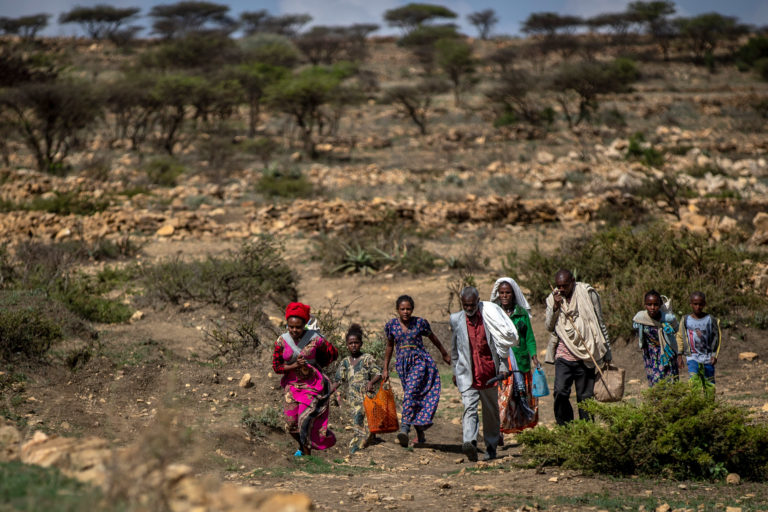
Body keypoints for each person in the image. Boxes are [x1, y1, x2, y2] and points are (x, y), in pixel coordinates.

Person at [450, 286, 520, 462]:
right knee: (469, 408)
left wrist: (503, 366)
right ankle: (470, 443)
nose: (468, 308)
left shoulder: (489, 317)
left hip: (489, 373)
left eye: (472, 304)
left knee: (491, 413)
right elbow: (454, 349)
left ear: (478, 301)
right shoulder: (456, 319)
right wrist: (454, 371)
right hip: (468, 374)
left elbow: (500, 345)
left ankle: (491, 446)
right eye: (465, 305)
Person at [545, 270, 612, 425]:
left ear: (573, 281)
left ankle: (586, 431)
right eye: (558, 286)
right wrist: (555, 306)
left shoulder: (587, 294)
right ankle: (566, 428)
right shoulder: (552, 298)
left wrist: (607, 351)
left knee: (585, 397)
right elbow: (549, 326)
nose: (561, 289)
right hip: (564, 354)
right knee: (560, 392)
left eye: (565, 286)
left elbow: (599, 321)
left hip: (587, 354)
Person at [383, 295, 451, 448]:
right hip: (402, 365)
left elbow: (433, 338)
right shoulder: (391, 326)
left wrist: (444, 354)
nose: (406, 312)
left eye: (408, 309)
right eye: (402, 309)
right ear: (397, 310)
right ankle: (420, 433)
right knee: (413, 397)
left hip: (420, 362)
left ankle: (405, 428)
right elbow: (389, 346)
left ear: (412, 309)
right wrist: (385, 368)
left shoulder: (420, 323)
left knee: (410, 393)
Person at [272, 301, 339, 456]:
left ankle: (307, 454)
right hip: (292, 386)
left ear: (305, 325)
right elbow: (277, 367)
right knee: (290, 424)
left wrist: (318, 364)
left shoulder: (315, 339)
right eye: (291, 326)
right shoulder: (281, 341)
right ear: (287, 324)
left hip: (313, 385)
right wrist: (294, 365)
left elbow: (333, 353)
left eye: (298, 327)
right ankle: (303, 446)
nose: (294, 330)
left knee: (304, 421)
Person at [490, 277, 539, 434]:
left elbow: (529, 337)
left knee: (519, 397)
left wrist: (534, 356)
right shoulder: (493, 313)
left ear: (513, 294)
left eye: (508, 293)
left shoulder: (521, 314)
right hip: (501, 361)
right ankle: (498, 430)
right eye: (502, 293)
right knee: (502, 398)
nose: (504, 296)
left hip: (520, 360)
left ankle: (518, 427)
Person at [335, 323, 383, 455]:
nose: (354, 345)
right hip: (353, 398)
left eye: (356, 342)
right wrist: (329, 391)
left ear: (361, 343)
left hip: (367, 395)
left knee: (368, 421)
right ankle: (356, 446)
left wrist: (371, 382)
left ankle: (368, 439)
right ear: (347, 345)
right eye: (351, 343)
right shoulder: (345, 362)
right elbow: (339, 380)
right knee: (357, 420)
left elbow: (379, 373)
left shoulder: (366, 359)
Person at [632, 290, 679, 386]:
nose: (652, 308)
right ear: (645, 305)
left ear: (660, 304)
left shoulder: (667, 318)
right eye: (649, 304)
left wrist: (669, 330)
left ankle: (669, 400)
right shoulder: (641, 317)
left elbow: (676, 329)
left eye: (656, 304)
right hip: (650, 354)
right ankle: (656, 400)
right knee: (654, 380)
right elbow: (635, 325)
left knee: (669, 380)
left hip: (666, 351)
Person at [676, 291, 721, 384]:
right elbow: (680, 336)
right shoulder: (686, 319)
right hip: (692, 357)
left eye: (700, 304)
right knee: (694, 381)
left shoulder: (710, 319)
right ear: (691, 304)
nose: (697, 307)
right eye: (695, 304)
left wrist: (714, 355)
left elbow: (717, 337)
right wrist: (679, 355)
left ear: (704, 304)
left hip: (707, 357)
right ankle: (694, 398)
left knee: (709, 384)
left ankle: (708, 399)